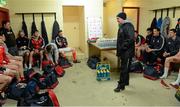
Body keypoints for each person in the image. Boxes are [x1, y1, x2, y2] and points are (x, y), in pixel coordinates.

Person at [114, 12, 135, 92]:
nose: (117, 20)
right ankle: (126, 82)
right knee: (125, 68)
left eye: (118, 18)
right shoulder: (122, 26)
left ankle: (121, 86)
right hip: (124, 52)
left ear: (122, 18)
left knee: (124, 69)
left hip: (127, 52)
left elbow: (130, 39)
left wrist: (122, 47)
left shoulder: (129, 26)